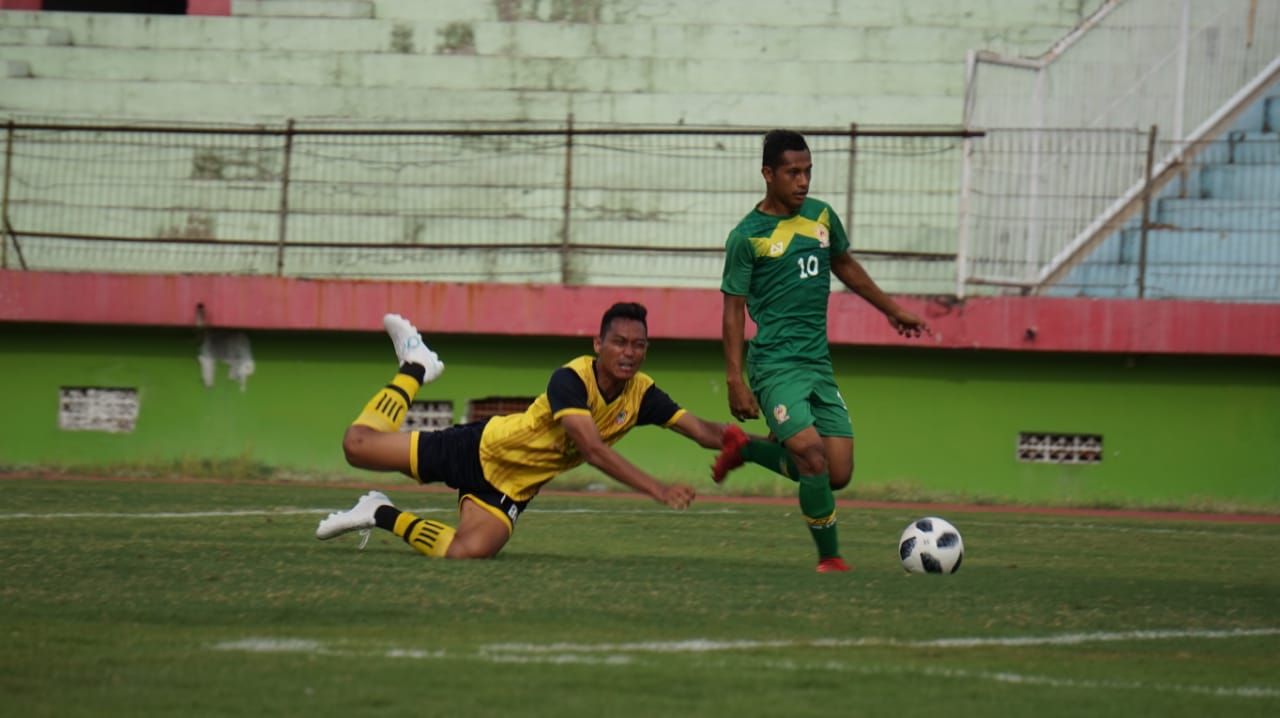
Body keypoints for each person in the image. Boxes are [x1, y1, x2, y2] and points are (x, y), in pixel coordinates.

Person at [317, 302, 736, 559]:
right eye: (620, 342)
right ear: (598, 344)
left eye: (639, 345)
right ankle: (416, 365)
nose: (629, 353)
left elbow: (703, 431)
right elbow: (590, 449)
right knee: (357, 446)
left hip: (511, 489)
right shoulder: (570, 379)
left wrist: (780, 447)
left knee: (469, 552)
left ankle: (378, 511)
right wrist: (657, 489)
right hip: (478, 449)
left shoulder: (642, 394)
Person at [713, 128, 931, 573]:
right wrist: (736, 379)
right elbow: (733, 311)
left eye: (808, 171)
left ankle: (746, 449)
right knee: (811, 455)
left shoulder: (822, 217)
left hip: (817, 364)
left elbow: (844, 264)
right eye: (793, 172)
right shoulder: (747, 236)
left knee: (836, 473)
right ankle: (830, 558)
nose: (803, 181)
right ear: (767, 174)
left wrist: (892, 310)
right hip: (773, 364)